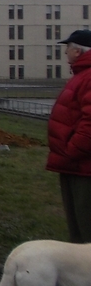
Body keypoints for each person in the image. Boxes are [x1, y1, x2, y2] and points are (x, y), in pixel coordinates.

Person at [46, 29, 91, 244]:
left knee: (85, 229)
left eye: (67, 48)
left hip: (82, 167)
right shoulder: (82, 75)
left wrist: (72, 151)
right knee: (77, 230)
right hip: (73, 165)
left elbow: (89, 124)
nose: (65, 53)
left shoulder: (88, 77)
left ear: (77, 50)